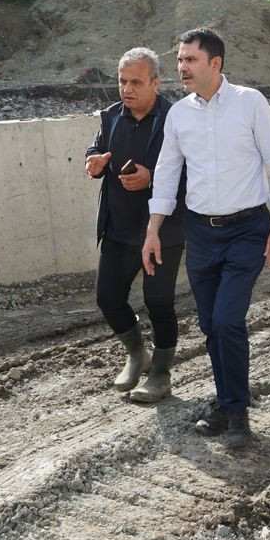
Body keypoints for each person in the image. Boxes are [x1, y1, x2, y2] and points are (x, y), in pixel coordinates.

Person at [143, 28, 270, 450]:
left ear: (215, 64)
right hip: (200, 233)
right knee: (210, 325)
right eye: (179, 60)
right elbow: (168, 174)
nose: (182, 68)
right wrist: (153, 230)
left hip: (247, 230)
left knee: (228, 321)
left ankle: (239, 412)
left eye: (190, 60)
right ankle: (226, 405)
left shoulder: (250, 102)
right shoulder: (179, 115)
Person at [86, 48, 187, 403]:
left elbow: (194, 171)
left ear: (156, 84)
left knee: (158, 303)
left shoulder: (177, 118)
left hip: (161, 231)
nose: (127, 89)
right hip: (118, 228)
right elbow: (97, 147)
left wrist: (151, 180)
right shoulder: (112, 116)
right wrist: (94, 161)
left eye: (136, 82)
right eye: (122, 81)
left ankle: (160, 375)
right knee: (108, 298)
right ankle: (136, 354)